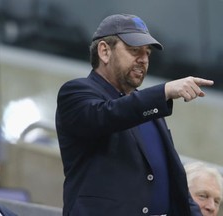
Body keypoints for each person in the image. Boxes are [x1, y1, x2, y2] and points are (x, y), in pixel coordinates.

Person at [55, 13, 214, 216]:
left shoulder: (150, 108)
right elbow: (107, 115)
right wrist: (164, 91)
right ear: (104, 51)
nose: (144, 60)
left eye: (148, 53)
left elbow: (174, 182)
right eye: (134, 50)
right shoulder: (76, 92)